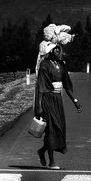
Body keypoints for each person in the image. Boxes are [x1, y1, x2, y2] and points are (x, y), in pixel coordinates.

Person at [34, 42, 82, 170]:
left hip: (57, 99)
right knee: (51, 129)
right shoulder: (44, 65)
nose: (57, 51)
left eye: (58, 49)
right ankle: (52, 162)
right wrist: (38, 106)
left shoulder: (61, 65)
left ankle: (42, 150)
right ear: (49, 51)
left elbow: (67, 85)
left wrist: (75, 101)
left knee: (59, 128)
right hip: (47, 99)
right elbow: (41, 86)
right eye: (54, 49)